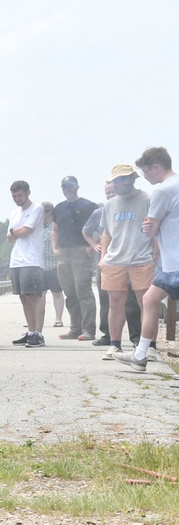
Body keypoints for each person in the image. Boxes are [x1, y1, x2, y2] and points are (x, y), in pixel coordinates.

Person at [115, 147, 176, 371]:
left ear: (155, 167)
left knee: (149, 301)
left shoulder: (163, 191)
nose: (145, 177)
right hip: (171, 263)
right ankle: (140, 354)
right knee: (149, 300)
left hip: (174, 262)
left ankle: (140, 355)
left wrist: (147, 227)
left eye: (145, 172)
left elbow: (150, 227)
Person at [98, 164, 154, 361]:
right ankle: (115, 345)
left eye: (124, 179)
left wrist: (155, 258)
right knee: (115, 303)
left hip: (141, 258)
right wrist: (103, 257)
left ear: (132, 178)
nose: (120, 183)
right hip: (115, 259)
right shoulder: (110, 204)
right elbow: (106, 232)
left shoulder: (148, 199)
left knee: (146, 303)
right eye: (117, 180)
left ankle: (149, 346)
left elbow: (156, 229)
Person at [83, 182, 142, 346]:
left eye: (113, 191)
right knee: (106, 300)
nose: (110, 195)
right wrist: (94, 246)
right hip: (107, 261)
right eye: (107, 192)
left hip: (130, 259)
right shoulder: (100, 212)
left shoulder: (131, 209)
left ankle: (136, 336)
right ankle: (108, 335)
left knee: (131, 301)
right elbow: (87, 230)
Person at [51, 176, 98, 340]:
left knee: (83, 290)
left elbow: (99, 227)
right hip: (63, 253)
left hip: (81, 252)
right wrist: (54, 248)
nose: (67, 189)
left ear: (77, 186)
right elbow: (54, 230)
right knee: (69, 292)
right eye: (64, 186)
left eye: (70, 186)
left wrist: (93, 246)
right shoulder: (59, 208)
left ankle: (89, 330)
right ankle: (75, 328)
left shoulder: (89, 206)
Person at [7, 180, 46, 347]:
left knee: (35, 296)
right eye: (14, 196)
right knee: (23, 297)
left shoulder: (37, 208)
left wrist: (14, 231)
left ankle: (39, 334)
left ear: (28, 192)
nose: (17, 199)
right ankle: (30, 332)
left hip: (31, 259)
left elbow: (26, 231)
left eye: (20, 195)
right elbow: (9, 238)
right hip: (16, 259)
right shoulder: (14, 213)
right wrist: (15, 232)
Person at [40, 202, 65, 328]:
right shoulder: (37, 227)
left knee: (57, 292)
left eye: (42, 211)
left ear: (49, 212)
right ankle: (38, 319)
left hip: (53, 264)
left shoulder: (55, 226)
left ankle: (58, 318)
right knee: (40, 294)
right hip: (39, 265)